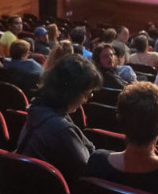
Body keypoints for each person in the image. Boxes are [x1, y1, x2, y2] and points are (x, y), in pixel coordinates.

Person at [17, 55, 102, 185]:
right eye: (87, 94)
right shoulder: (61, 128)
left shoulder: (38, 108)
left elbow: (89, 147)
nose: (86, 101)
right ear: (72, 93)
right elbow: (87, 168)